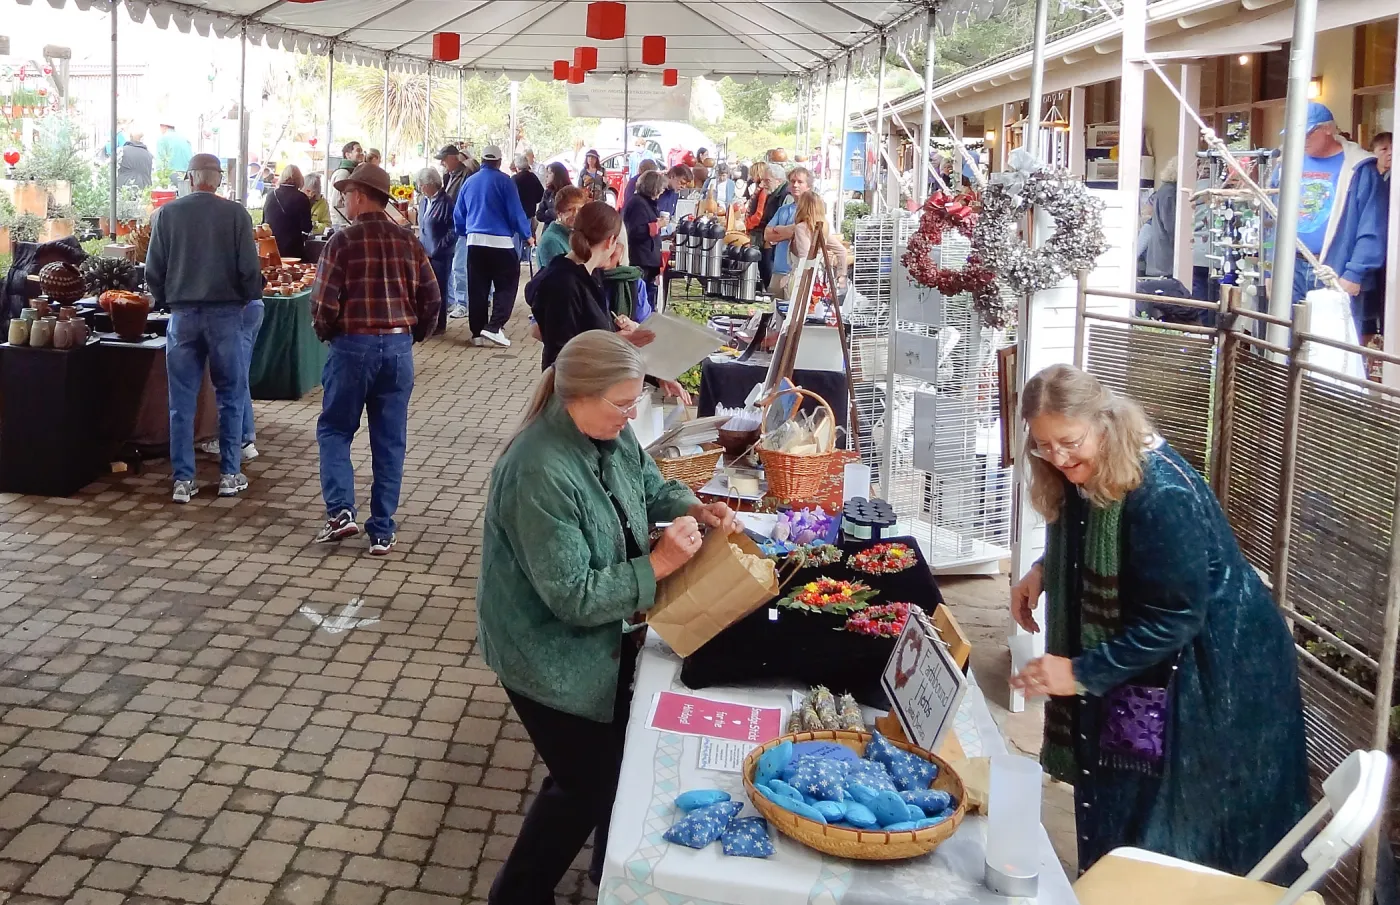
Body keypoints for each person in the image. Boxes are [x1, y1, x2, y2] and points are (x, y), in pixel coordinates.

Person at [1008, 364, 1308, 876]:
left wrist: (1079, 672)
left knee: (1178, 824)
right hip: (1166, 659)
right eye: (1043, 445)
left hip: (1218, 673)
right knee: (1122, 793)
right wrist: (1044, 571)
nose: (1057, 457)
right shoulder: (1090, 472)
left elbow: (1174, 618)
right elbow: (1094, 543)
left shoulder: (1161, 492)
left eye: (1068, 441)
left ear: (1103, 423)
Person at [478, 329, 737, 905]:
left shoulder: (607, 434)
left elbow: (648, 483)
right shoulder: (538, 470)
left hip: (600, 636)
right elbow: (572, 596)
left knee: (611, 761)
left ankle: (606, 870)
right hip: (544, 651)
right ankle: (516, 894)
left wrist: (695, 507)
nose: (631, 415)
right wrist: (660, 563)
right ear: (578, 395)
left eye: (634, 401)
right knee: (581, 783)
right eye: (622, 404)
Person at [311, 162, 441, 554]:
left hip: (352, 345)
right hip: (398, 348)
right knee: (389, 441)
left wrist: (328, 333)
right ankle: (382, 529)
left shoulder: (342, 242)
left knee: (335, 430)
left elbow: (322, 304)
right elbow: (432, 298)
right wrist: (414, 334)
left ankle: (341, 512)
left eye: (347, 192)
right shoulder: (408, 242)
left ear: (361, 196)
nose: (344, 199)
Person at [144, 154, 263, 504]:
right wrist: (245, 297)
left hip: (182, 317)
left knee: (181, 401)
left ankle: (183, 479)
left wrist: (166, 298)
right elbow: (249, 269)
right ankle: (229, 473)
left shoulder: (167, 215)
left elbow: (154, 270)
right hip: (226, 315)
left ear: (191, 178)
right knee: (230, 394)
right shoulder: (236, 215)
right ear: (219, 180)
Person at [1270, 103, 1388, 335]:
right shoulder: (1285, 164)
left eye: (1307, 133)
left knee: (1332, 347)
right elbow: (1270, 217)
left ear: (1328, 129)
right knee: (1285, 340)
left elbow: (1372, 226)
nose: (1302, 139)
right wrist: (1268, 268)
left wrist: (1355, 273)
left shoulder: (1360, 168)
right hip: (1289, 266)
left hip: (1336, 269)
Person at [527, 201, 652, 369]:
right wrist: (619, 341)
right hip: (573, 388)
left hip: (590, 384)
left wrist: (657, 377)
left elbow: (589, 333)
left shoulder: (588, 275)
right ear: (611, 241)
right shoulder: (563, 282)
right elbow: (565, 353)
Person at [453, 145, 534, 348]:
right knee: (506, 286)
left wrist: (465, 232)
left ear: (481, 161)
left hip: (474, 242)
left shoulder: (469, 182)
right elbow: (516, 212)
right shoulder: (505, 182)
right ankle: (494, 326)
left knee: (477, 288)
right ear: (498, 162)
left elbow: (458, 214)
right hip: (501, 243)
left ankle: (477, 333)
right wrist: (527, 235)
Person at [417, 167, 457, 336]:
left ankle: (439, 324)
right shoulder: (424, 201)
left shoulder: (446, 202)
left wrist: (441, 246)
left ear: (430, 184)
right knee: (425, 289)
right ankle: (426, 322)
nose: (420, 188)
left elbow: (454, 229)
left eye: (422, 185)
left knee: (439, 289)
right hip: (425, 252)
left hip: (441, 254)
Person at [788, 191, 847, 296]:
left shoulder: (801, 228)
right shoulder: (823, 228)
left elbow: (805, 257)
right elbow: (842, 251)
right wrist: (841, 276)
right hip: (820, 280)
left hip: (802, 281)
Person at [762, 166, 808, 294]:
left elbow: (803, 231)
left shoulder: (812, 210)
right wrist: (791, 232)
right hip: (778, 271)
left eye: (800, 182)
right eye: (792, 181)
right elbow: (767, 234)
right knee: (774, 311)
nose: (795, 185)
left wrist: (780, 230)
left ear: (808, 186)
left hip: (798, 273)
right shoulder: (784, 209)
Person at [623, 169, 665, 303]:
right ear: (654, 187)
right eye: (661, 188)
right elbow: (634, 232)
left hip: (648, 260)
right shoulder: (638, 204)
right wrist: (657, 226)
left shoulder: (645, 203)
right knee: (642, 300)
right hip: (641, 261)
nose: (663, 191)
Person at [1136, 157, 1178, 278]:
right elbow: (1172, 227)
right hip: (1165, 261)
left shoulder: (1163, 191)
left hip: (1158, 260)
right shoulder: (1170, 193)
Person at [262, 165, 314, 259]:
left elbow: (264, 222)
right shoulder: (302, 198)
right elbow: (306, 227)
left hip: (271, 247)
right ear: (300, 179)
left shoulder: (270, 195)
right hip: (293, 249)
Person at [536, 186, 585, 269]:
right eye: (570, 209)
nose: (576, 214)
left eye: (580, 209)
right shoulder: (551, 241)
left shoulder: (573, 233)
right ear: (559, 213)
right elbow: (558, 278)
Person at [328, 141, 365, 227]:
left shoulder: (351, 172)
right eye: (358, 151)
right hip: (342, 225)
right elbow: (336, 203)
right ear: (347, 155)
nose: (361, 153)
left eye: (362, 151)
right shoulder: (343, 173)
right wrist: (347, 223)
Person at [513, 153, 546, 234]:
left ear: (517, 167)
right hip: (530, 214)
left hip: (517, 215)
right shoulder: (533, 177)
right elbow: (541, 195)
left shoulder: (514, 179)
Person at [537, 163, 573, 229]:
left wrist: (548, 212)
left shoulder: (570, 192)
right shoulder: (548, 192)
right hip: (548, 230)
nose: (546, 176)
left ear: (558, 175)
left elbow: (568, 215)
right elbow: (539, 215)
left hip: (565, 232)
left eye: (550, 173)